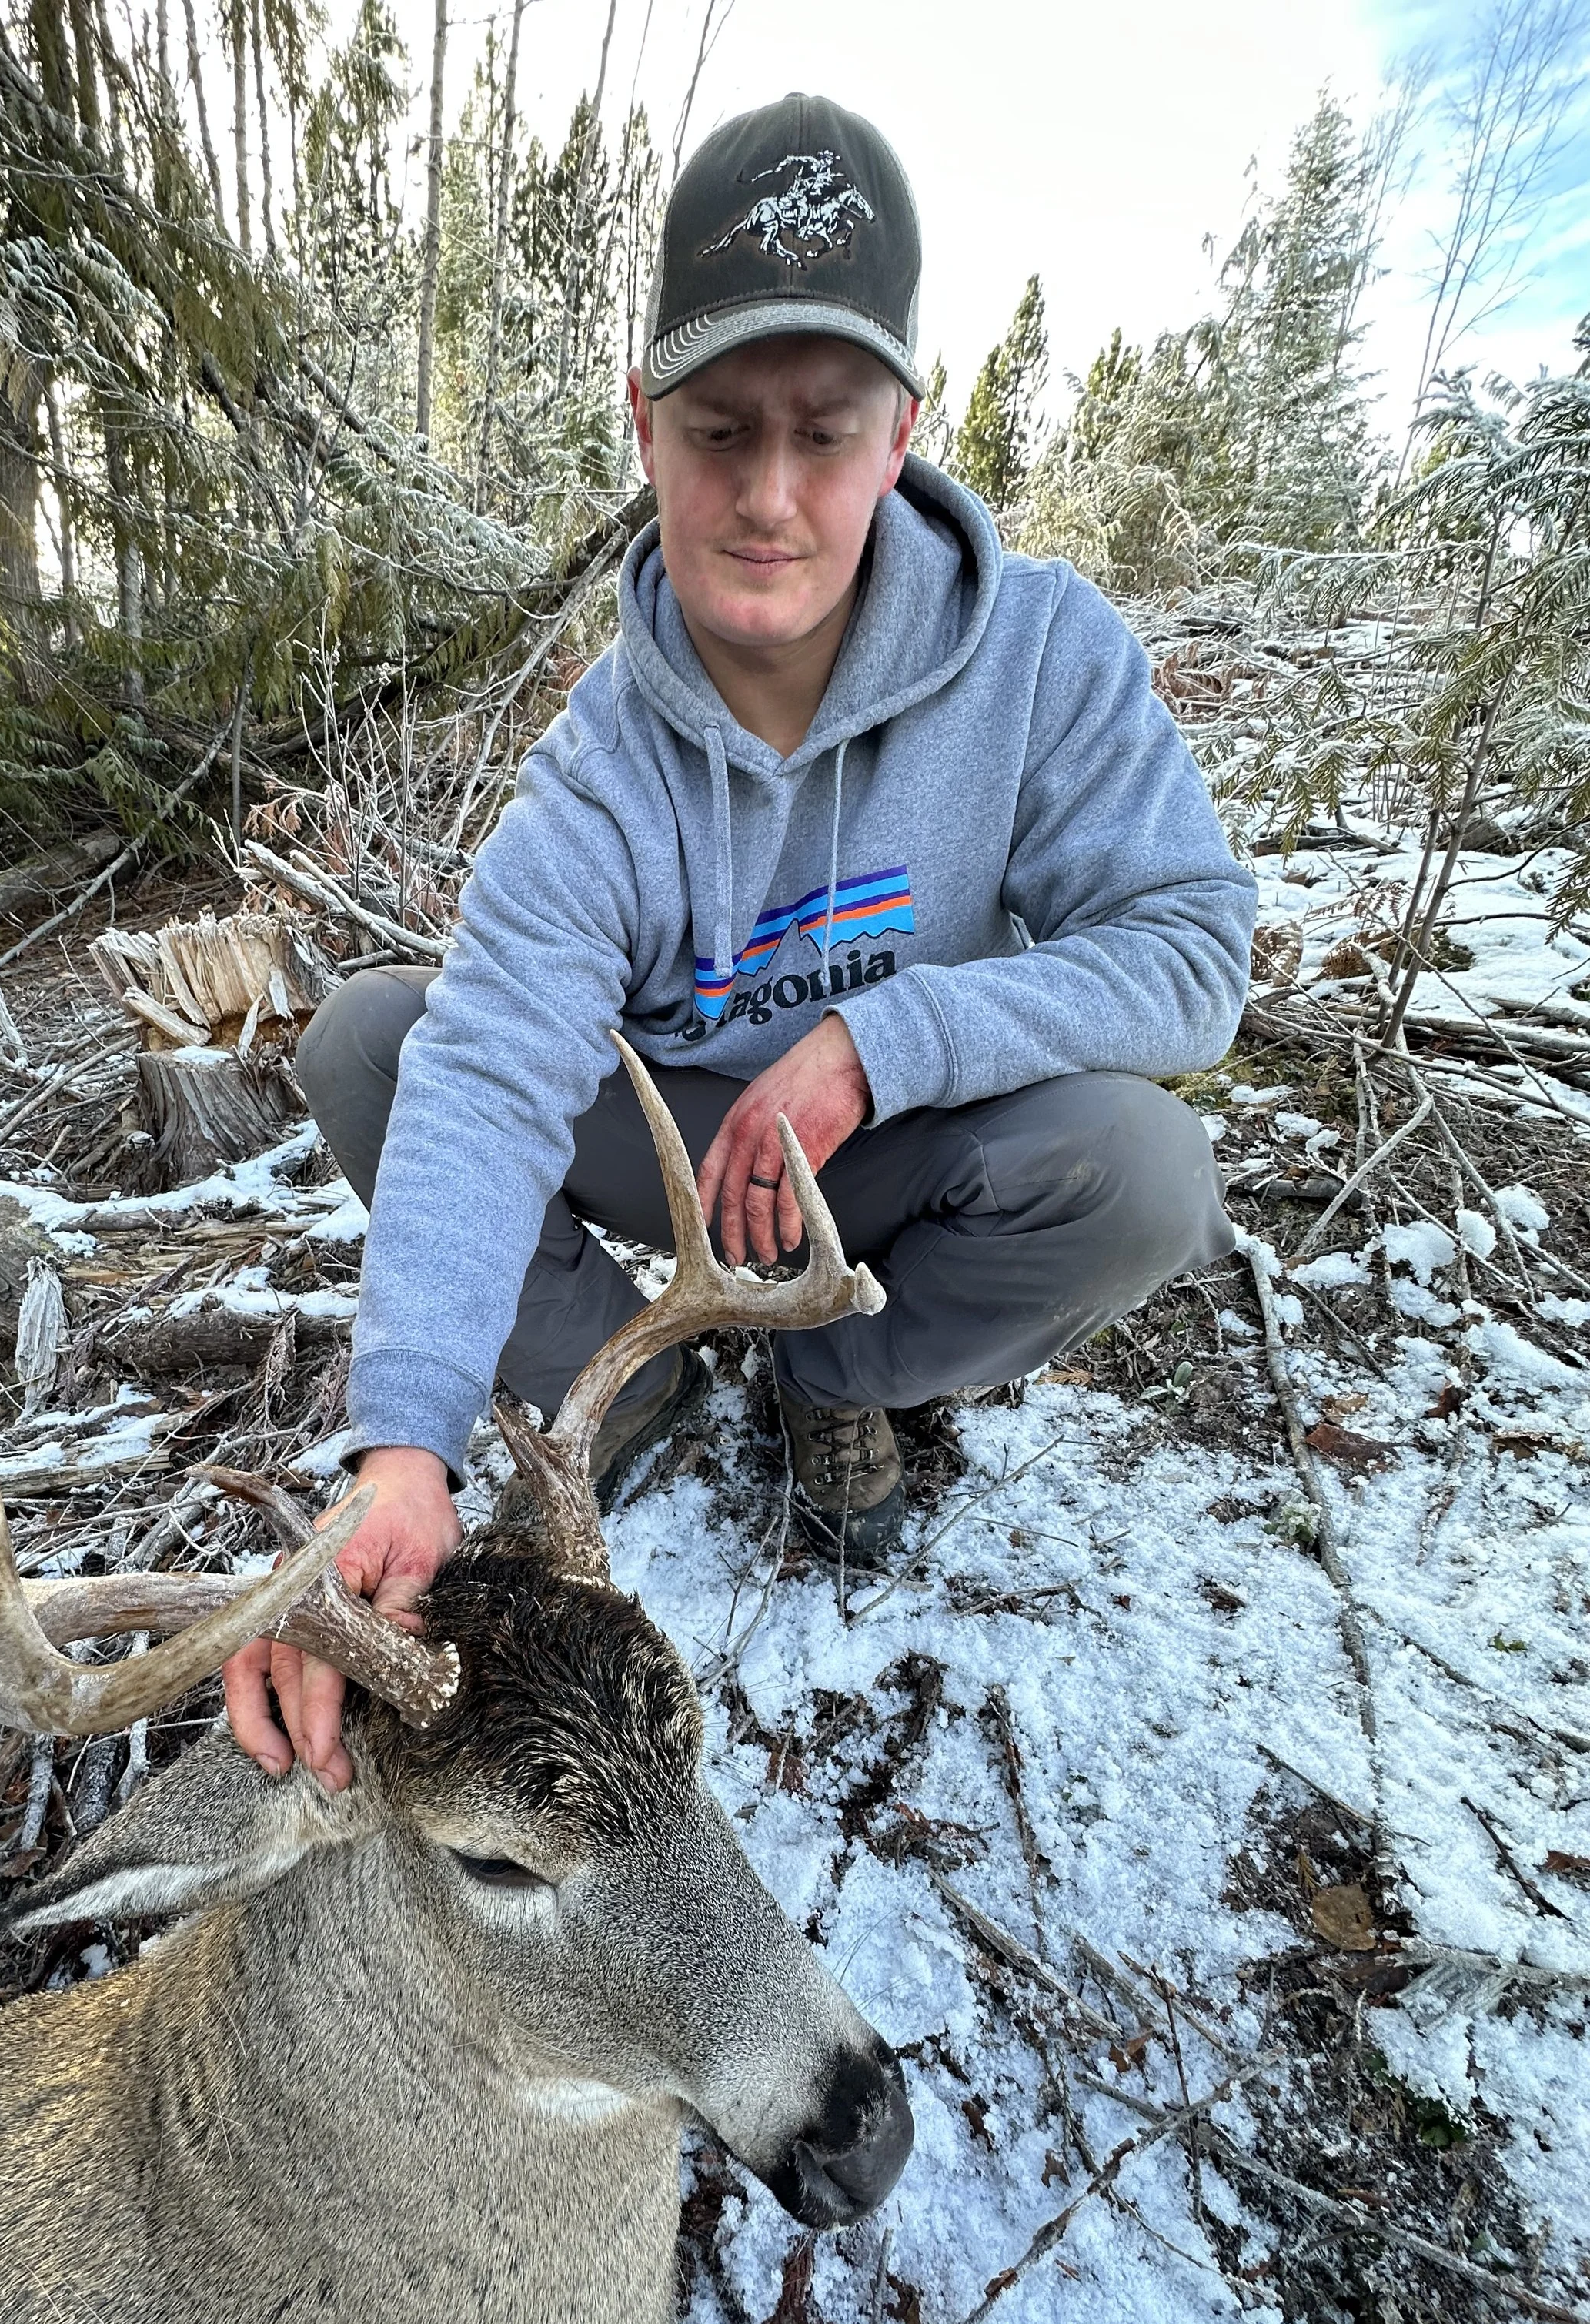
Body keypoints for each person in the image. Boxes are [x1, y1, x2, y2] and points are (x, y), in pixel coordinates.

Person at [223, 94, 1255, 1787]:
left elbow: (1190, 952)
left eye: (823, 432)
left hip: (899, 1152)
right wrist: (401, 1442)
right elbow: (489, 1076)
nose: (766, 497)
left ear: (903, 427)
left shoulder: (1043, 657)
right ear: (641, 426)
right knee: (378, 1041)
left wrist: (882, 1046)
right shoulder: (602, 765)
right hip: (683, 1151)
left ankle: (830, 1376)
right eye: (717, 432)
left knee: (1144, 1168)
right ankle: (604, 1394)